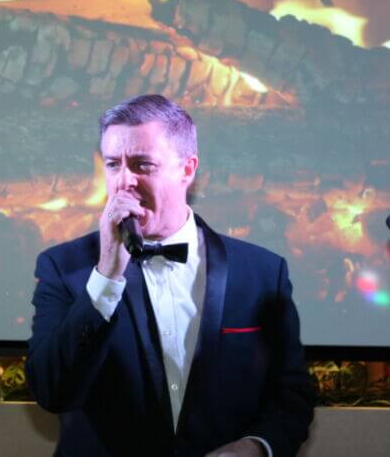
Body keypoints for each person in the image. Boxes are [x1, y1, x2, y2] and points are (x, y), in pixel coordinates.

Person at [26, 94, 316, 456]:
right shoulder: (63, 267)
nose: (124, 181)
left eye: (142, 164)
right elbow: (52, 391)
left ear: (187, 169)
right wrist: (107, 275)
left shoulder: (262, 272)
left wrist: (257, 447)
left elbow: (292, 394)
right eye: (113, 164)